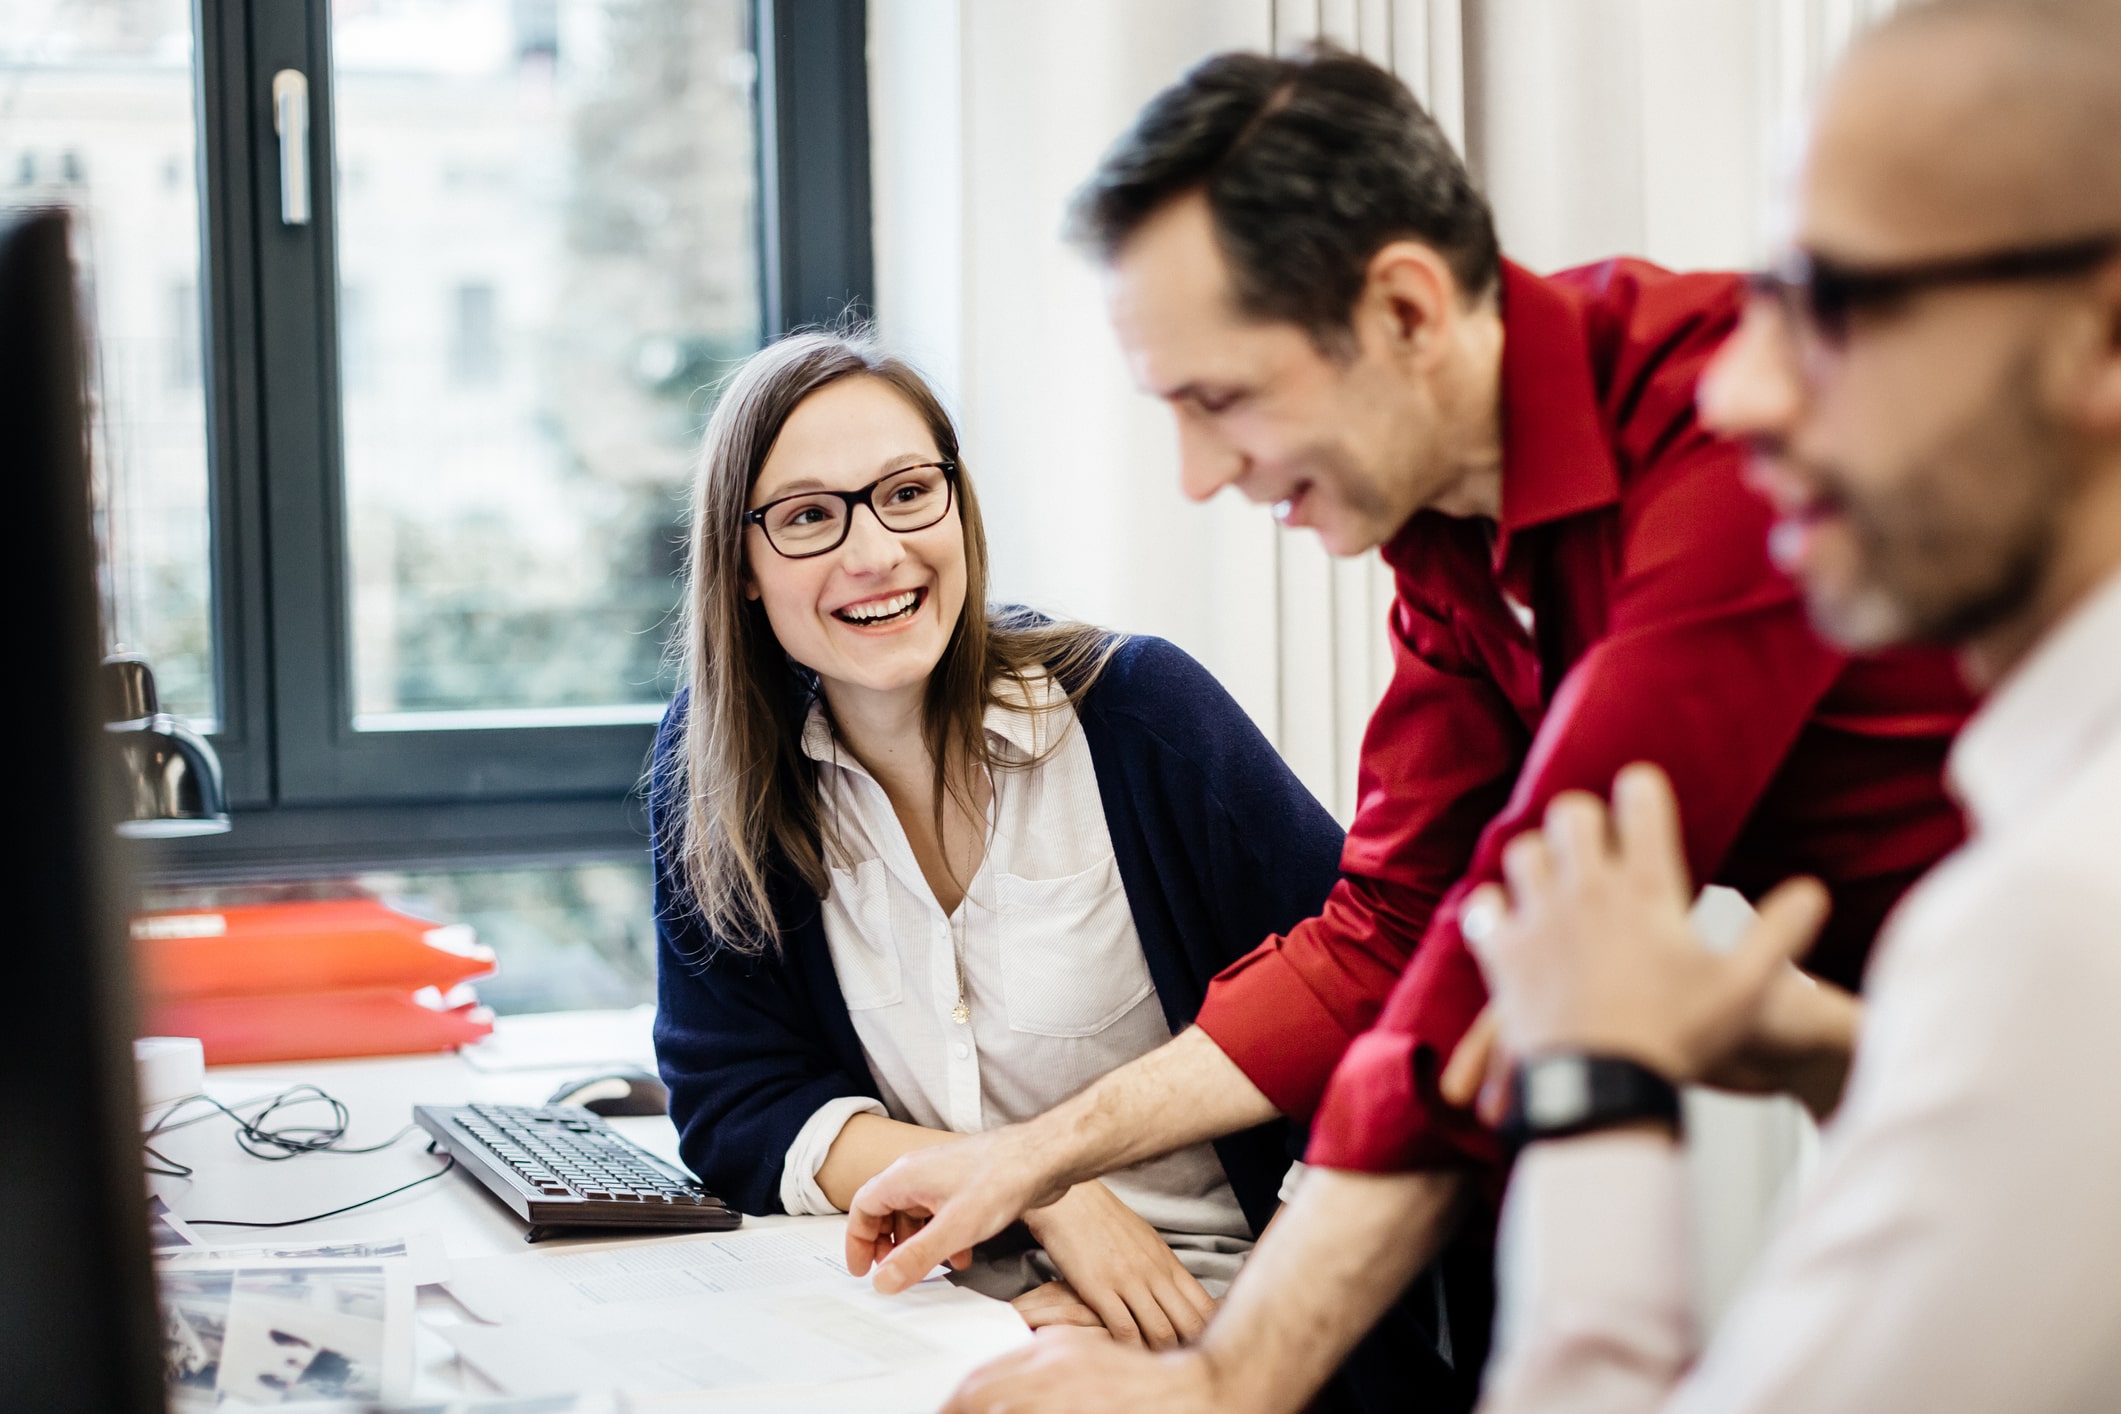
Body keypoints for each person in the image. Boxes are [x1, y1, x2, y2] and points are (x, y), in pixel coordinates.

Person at [842, 45, 1979, 1414]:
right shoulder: (1451, 539)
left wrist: (1227, 1381)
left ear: (1403, 308)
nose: (1204, 477)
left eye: (1223, 400)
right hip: (1949, 1067)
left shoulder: (1720, 438)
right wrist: (1032, 1156)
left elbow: (1484, 961)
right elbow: (1385, 926)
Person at [1452, 1, 2121, 1408]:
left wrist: (1595, 1082)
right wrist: (1851, 1060)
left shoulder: (2058, 922)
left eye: (1830, 304)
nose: (1743, 394)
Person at [647, 331, 1350, 1354]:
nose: (874, 552)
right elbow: (733, 1100)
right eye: (807, 517)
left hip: (1228, 1317)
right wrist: (1028, 1182)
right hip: (952, 1316)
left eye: (904, 492)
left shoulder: (1142, 717)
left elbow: (1373, 1017)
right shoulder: (715, 766)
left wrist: (1252, 1332)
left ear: (957, 503)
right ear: (742, 568)